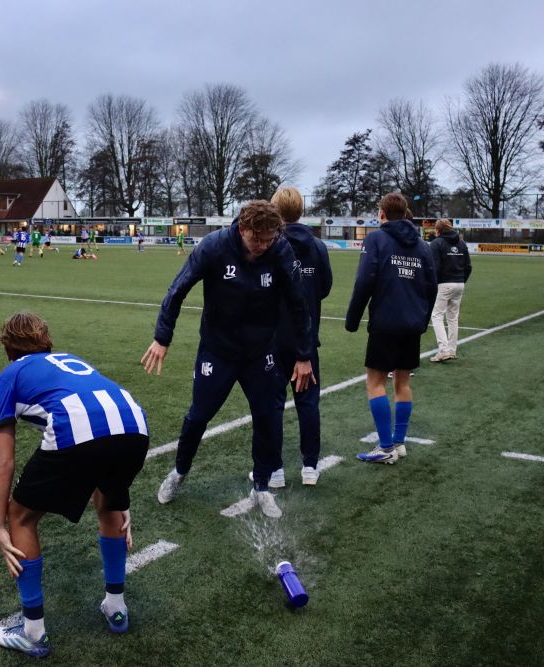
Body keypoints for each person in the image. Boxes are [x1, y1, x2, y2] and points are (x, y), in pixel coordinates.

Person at [0, 312, 149, 658]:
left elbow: (3, 461)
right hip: (135, 424)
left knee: (21, 517)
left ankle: (33, 633)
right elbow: (105, 425)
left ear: (8, 349)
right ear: (47, 342)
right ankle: (116, 608)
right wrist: (120, 499)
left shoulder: (9, 374)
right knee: (107, 504)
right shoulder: (71, 360)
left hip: (80, 428)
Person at [141, 200, 314, 518]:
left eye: (269, 239)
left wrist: (304, 355)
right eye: (257, 239)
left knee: (268, 418)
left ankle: (261, 486)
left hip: (260, 352)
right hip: (217, 350)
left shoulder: (280, 250)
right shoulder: (214, 247)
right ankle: (179, 472)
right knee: (198, 416)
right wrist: (162, 338)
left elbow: (299, 304)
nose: (263, 245)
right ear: (243, 228)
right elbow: (177, 290)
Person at [345, 192, 437, 465]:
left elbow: (364, 280)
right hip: (411, 324)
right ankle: (399, 442)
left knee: (375, 382)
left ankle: (386, 447)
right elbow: (431, 287)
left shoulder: (376, 239)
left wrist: (352, 319)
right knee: (402, 382)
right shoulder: (422, 246)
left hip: (385, 322)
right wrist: (422, 319)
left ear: (382, 214)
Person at [262, 187, 332, 487]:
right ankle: (310, 467)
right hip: (306, 338)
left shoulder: (270, 244)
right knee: (308, 402)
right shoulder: (318, 247)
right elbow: (325, 287)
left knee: (272, 403)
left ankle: (275, 470)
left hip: (274, 338)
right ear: (301, 211)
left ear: (275, 210)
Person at [428, 219, 472, 362]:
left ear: (438, 230)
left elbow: (434, 267)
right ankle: (452, 350)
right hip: (459, 283)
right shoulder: (461, 243)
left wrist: (432, 284)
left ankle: (444, 350)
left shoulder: (436, 243)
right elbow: (468, 266)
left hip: (444, 284)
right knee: (452, 317)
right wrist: (461, 280)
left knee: (436, 316)